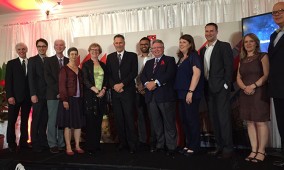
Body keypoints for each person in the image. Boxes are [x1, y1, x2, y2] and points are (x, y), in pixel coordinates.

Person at [200, 23, 234, 159]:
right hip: (208, 89)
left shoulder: (224, 46)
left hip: (221, 88)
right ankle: (219, 146)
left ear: (217, 32)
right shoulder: (203, 50)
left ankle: (228, 148)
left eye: (211, 31)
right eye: (207, 31)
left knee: (223, 119)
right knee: (214, 119)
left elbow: (229, 67)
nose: (209, 33)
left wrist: (226, 84)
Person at [140, 39, 177, 157]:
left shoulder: (170, 60)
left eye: (158, 47)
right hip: (151, 97)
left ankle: (171, 147)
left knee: (168, 123)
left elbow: (169, 74)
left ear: (163, 48)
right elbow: (143, 76)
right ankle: (160, 145)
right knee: (156, 123)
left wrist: (155, 83)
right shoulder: (149, 63)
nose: (156, 50)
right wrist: (146, 84)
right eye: (154, 48)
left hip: (165, 96)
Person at [237, 33, 270, 162]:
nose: (248, 44)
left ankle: (262, 151)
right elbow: (238, 77)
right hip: (245, 94)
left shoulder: (263, 56)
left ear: (256, 43)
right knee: (250, 122)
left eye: (251, 41)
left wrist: (253, 86)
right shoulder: (242, 60)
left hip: (259, 93)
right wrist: (244, 87)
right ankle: (254, 150)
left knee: (261, 122)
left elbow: (266, 75)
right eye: (246, 42)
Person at [106, 34, 138, 154]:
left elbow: (133, 72)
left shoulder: (132, 56)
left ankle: (132, 144)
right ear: (114, 44)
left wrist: (122, 84)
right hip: (115, 93)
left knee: (129, 119)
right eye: (116, 43)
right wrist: (114, 85)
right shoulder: (110, 57)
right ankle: (122, 143)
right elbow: (108, 74)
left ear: (124, 43)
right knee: (118, 119)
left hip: (127, 92)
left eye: (120, 42)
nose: (118, 45)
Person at [174, 34, 203, 156]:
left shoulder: (193, 56)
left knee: (192, 120)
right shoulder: (181, 58)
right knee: (185, 120)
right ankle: (188, 144)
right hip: (180, 94)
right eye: (180, 42)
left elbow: (196, 74)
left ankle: (195, 146)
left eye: (184, 42)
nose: (181, 44)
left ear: (190, 44)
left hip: (190, 94)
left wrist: (190, 92)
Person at [57, 47, 85, 156]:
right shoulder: (64, 69)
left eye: (75, 54)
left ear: (77, 56)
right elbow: (62, 86)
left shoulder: (80, 70)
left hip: (78, 99)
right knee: (67, 124)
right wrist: (64, 100)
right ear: (69, 56)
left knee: (78, 124)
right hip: (68, 99)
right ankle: (68, 146)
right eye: (72, 54)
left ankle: (77, 145)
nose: (74, 56)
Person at [82, 43, 108, 156]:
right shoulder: (86, 64)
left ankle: (97, 145)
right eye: (92, 49)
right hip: (90, 96)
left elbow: (106, 79)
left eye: (97, 50)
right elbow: (85, 80)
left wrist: (103, 90)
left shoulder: (103, 64)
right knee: (90, 122)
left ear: (100, 51)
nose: (94, 51)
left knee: (98, 121)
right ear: (89, 51)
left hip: (101, 96)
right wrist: (96, 90)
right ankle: (89, 146)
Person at [5, 43, 32, 152]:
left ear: (27, 49)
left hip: (27, 98)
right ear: (16, 51)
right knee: (12, 121)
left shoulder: (31, 63)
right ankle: (11, 143)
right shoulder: (11, 63)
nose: (21, 51)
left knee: (25, 121)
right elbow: (8, 81)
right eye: (19, 49)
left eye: (23, 49)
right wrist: (10, 96)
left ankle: (24, 142)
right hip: (14, 98)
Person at [44, 39, 69, 153]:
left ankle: (61, 143)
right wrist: (59, 91)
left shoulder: (69, 60)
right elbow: (48, 78)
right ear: (54, 47)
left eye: (61, 45)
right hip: (53, 95)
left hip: (66, 96)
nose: (59, 47)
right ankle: (52, 144)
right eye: (57, 45)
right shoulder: (48, 60)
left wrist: (64, 93)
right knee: (53, 120)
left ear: (64, 47)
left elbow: (71, 79)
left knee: (62, 119)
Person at [268, 2, 284, 167]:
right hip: (278, 87)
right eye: (274, 12)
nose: (277, 14)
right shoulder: (274, 35)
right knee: (281, 123)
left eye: (280, 11)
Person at [28, 38, 49, 152]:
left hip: (48, 95)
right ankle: (34, 143)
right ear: (37, 47)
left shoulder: (50, 60)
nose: (41, 48)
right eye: (39, 46)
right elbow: (30, 79)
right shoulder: (32, 60)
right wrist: (33, 94)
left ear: (46, 47)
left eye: (43, 46)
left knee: (44, 119)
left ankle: (43, 141)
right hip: (37, 95)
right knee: (36, 119)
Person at [135, 37, 155, 150]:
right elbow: (135, 75)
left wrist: (147, 87)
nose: (144, 46)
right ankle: (142, 140)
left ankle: (153, 140)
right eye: (141, 44)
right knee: (141, 117)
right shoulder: (136, 58)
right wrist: (138, 87)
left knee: (153, 117)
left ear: (149, 45)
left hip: (151, 91)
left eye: (146, 44)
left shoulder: (154, 57)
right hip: (138, 91)